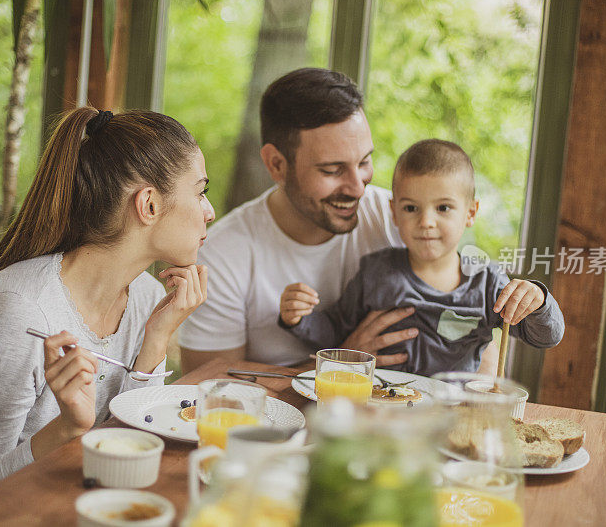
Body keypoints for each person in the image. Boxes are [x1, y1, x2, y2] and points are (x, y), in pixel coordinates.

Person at [0, 107, 214, 520]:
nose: (209, 211)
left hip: (55, 483)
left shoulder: (146, 296)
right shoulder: (18, 312)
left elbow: (124, 445)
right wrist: (67, 429)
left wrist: (156, 339)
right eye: (200, 191)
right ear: (148, 204)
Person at [177, 67, 436, 372]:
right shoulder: (222, 255)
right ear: (276, 165)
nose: (357, 187)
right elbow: (211, 388)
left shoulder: (400, 218)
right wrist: (342, 363)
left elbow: (472, 326)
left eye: (364, 161)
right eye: (332, 170)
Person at [279, 139, 565, 375]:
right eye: (411, 208)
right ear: (393, 212)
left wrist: (538, 300)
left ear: (471, 213)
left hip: (453, 420)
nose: (426, 221)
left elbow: (545, 336)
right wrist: (299, 318)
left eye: (443, 208)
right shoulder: (377, 272)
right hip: (379, 412)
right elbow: (334, 332)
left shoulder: (487, 284)